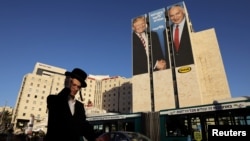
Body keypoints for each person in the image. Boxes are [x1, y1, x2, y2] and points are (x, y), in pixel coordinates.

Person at [45, 68, 98, 141]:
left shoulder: (80, 106)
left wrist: (95, 138)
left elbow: (83, 126)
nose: (76, 89)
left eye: (78, 87)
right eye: (74, 84)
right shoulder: (53, 99)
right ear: (68, 82)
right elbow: (58, 109)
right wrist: (67, 88)